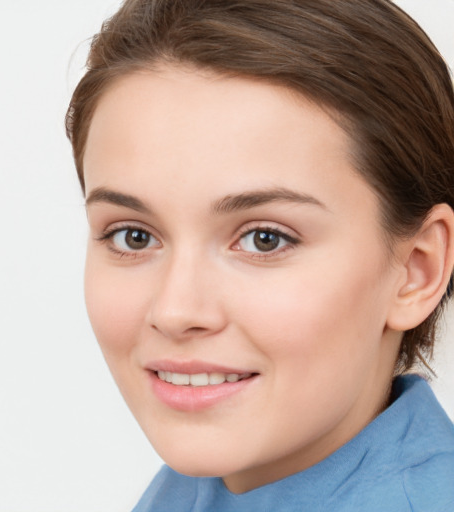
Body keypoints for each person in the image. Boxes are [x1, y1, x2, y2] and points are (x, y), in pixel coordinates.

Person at [65, 0, 454, 510]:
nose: (176, 311)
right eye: (133, 236)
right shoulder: (209, 485)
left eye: (264, 239)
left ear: (416, 270)